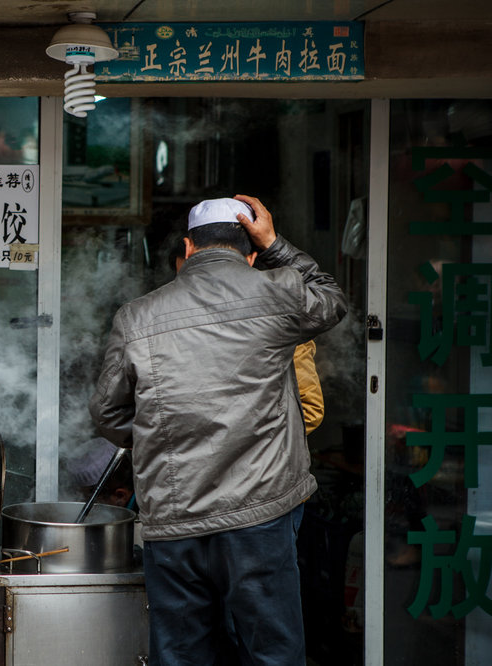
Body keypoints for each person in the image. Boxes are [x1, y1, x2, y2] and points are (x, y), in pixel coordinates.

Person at [89, 195, 347, 665]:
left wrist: (164, 439)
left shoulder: (137, 316)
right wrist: (276, 244)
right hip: (261, 512)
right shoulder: (278, 290)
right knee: (272, 652)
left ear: (188, 248)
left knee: (182, 654)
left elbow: (107, 414)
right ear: (251, 252)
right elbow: (331, 299)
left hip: (174, 518)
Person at [170, 238, 326, 435]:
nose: (192, 290)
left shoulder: (282, 326)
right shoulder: (179, 329)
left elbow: (309, 410)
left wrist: (237, 442)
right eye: (183, 281)